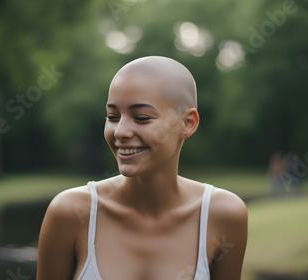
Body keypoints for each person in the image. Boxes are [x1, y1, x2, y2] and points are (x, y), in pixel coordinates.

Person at [37, 56, 248, 280]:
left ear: (188, 123)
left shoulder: (224, 215)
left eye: (141, 118)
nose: (120, 132)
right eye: (113, 116)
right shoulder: (71, 213)